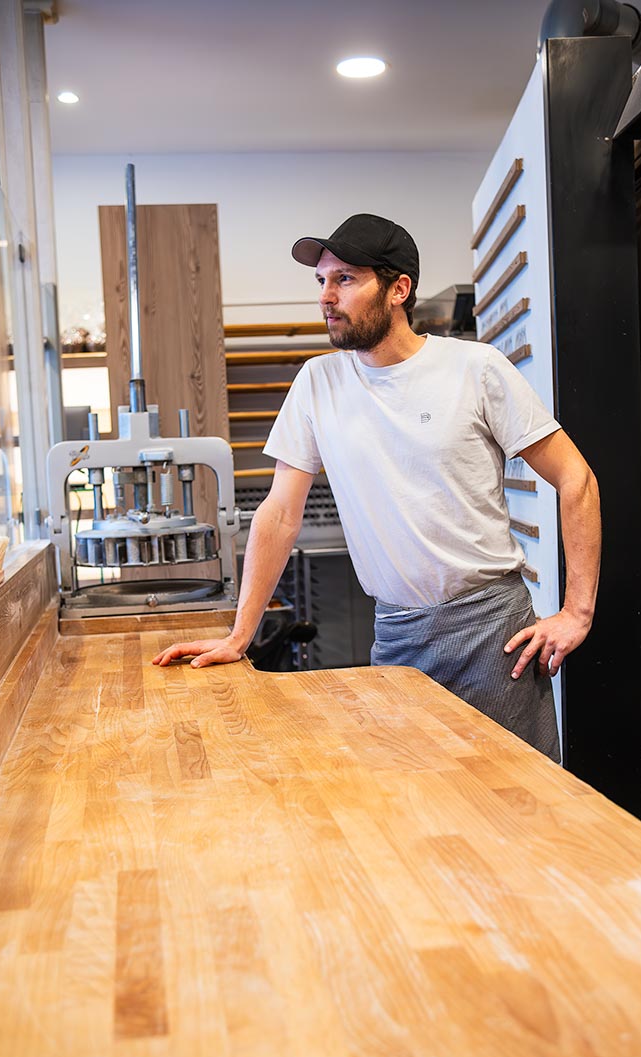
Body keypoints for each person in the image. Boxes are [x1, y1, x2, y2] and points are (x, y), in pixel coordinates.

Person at [153, 213, 599, 762]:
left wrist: (577, 611)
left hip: (490, 633)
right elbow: (278, 514)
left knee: (518, 805)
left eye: (345, 279)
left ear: (398, 289)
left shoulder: (475, 369)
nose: (326, 296)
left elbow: (575, 477)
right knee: (415, 807)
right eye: (321, 281)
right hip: (396, 633)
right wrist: (239, 634)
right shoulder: (318, 382)